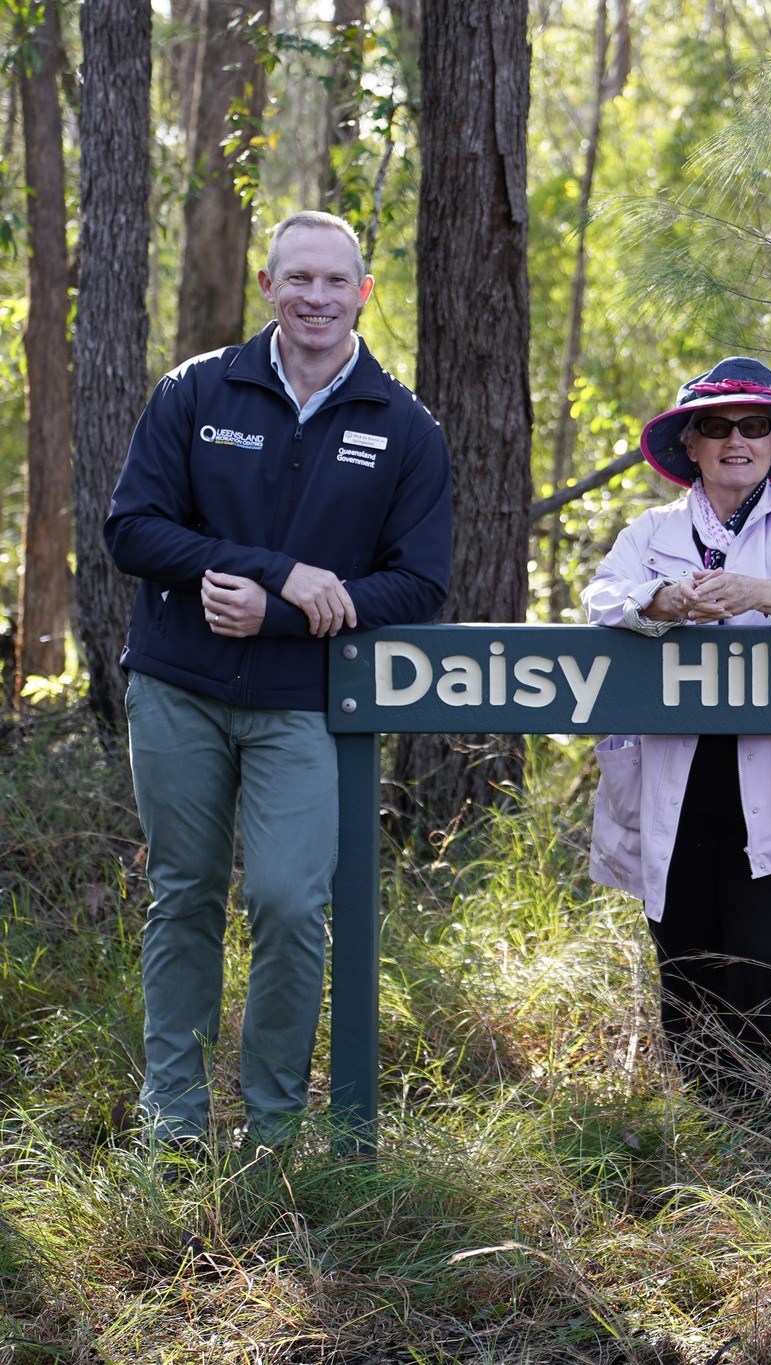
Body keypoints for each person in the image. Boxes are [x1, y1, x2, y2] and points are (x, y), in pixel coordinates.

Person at [105, 210, 452, 1151]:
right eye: (298, 278)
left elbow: (420, 584)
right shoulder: (196, 389)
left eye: (336, 281)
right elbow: (132, 528)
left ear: (363, 294)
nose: (316, 297)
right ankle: (173, 1123)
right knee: (185, 894)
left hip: (304, 703)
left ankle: (272, 1132)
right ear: (268, 286)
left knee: (292, 904)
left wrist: (286, 612)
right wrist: (275, 571)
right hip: (178, 686)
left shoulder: (403, 424)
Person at [584, 357, 771, 1081]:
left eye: (754, 426)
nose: (736, 441)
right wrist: (661, 602)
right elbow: (600, 599)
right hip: (676, 773)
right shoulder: (652, 529)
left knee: (764, 960)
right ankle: (701, 1120)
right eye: (716, 427)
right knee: (684, 954)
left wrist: (767, 593)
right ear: (691, 444)